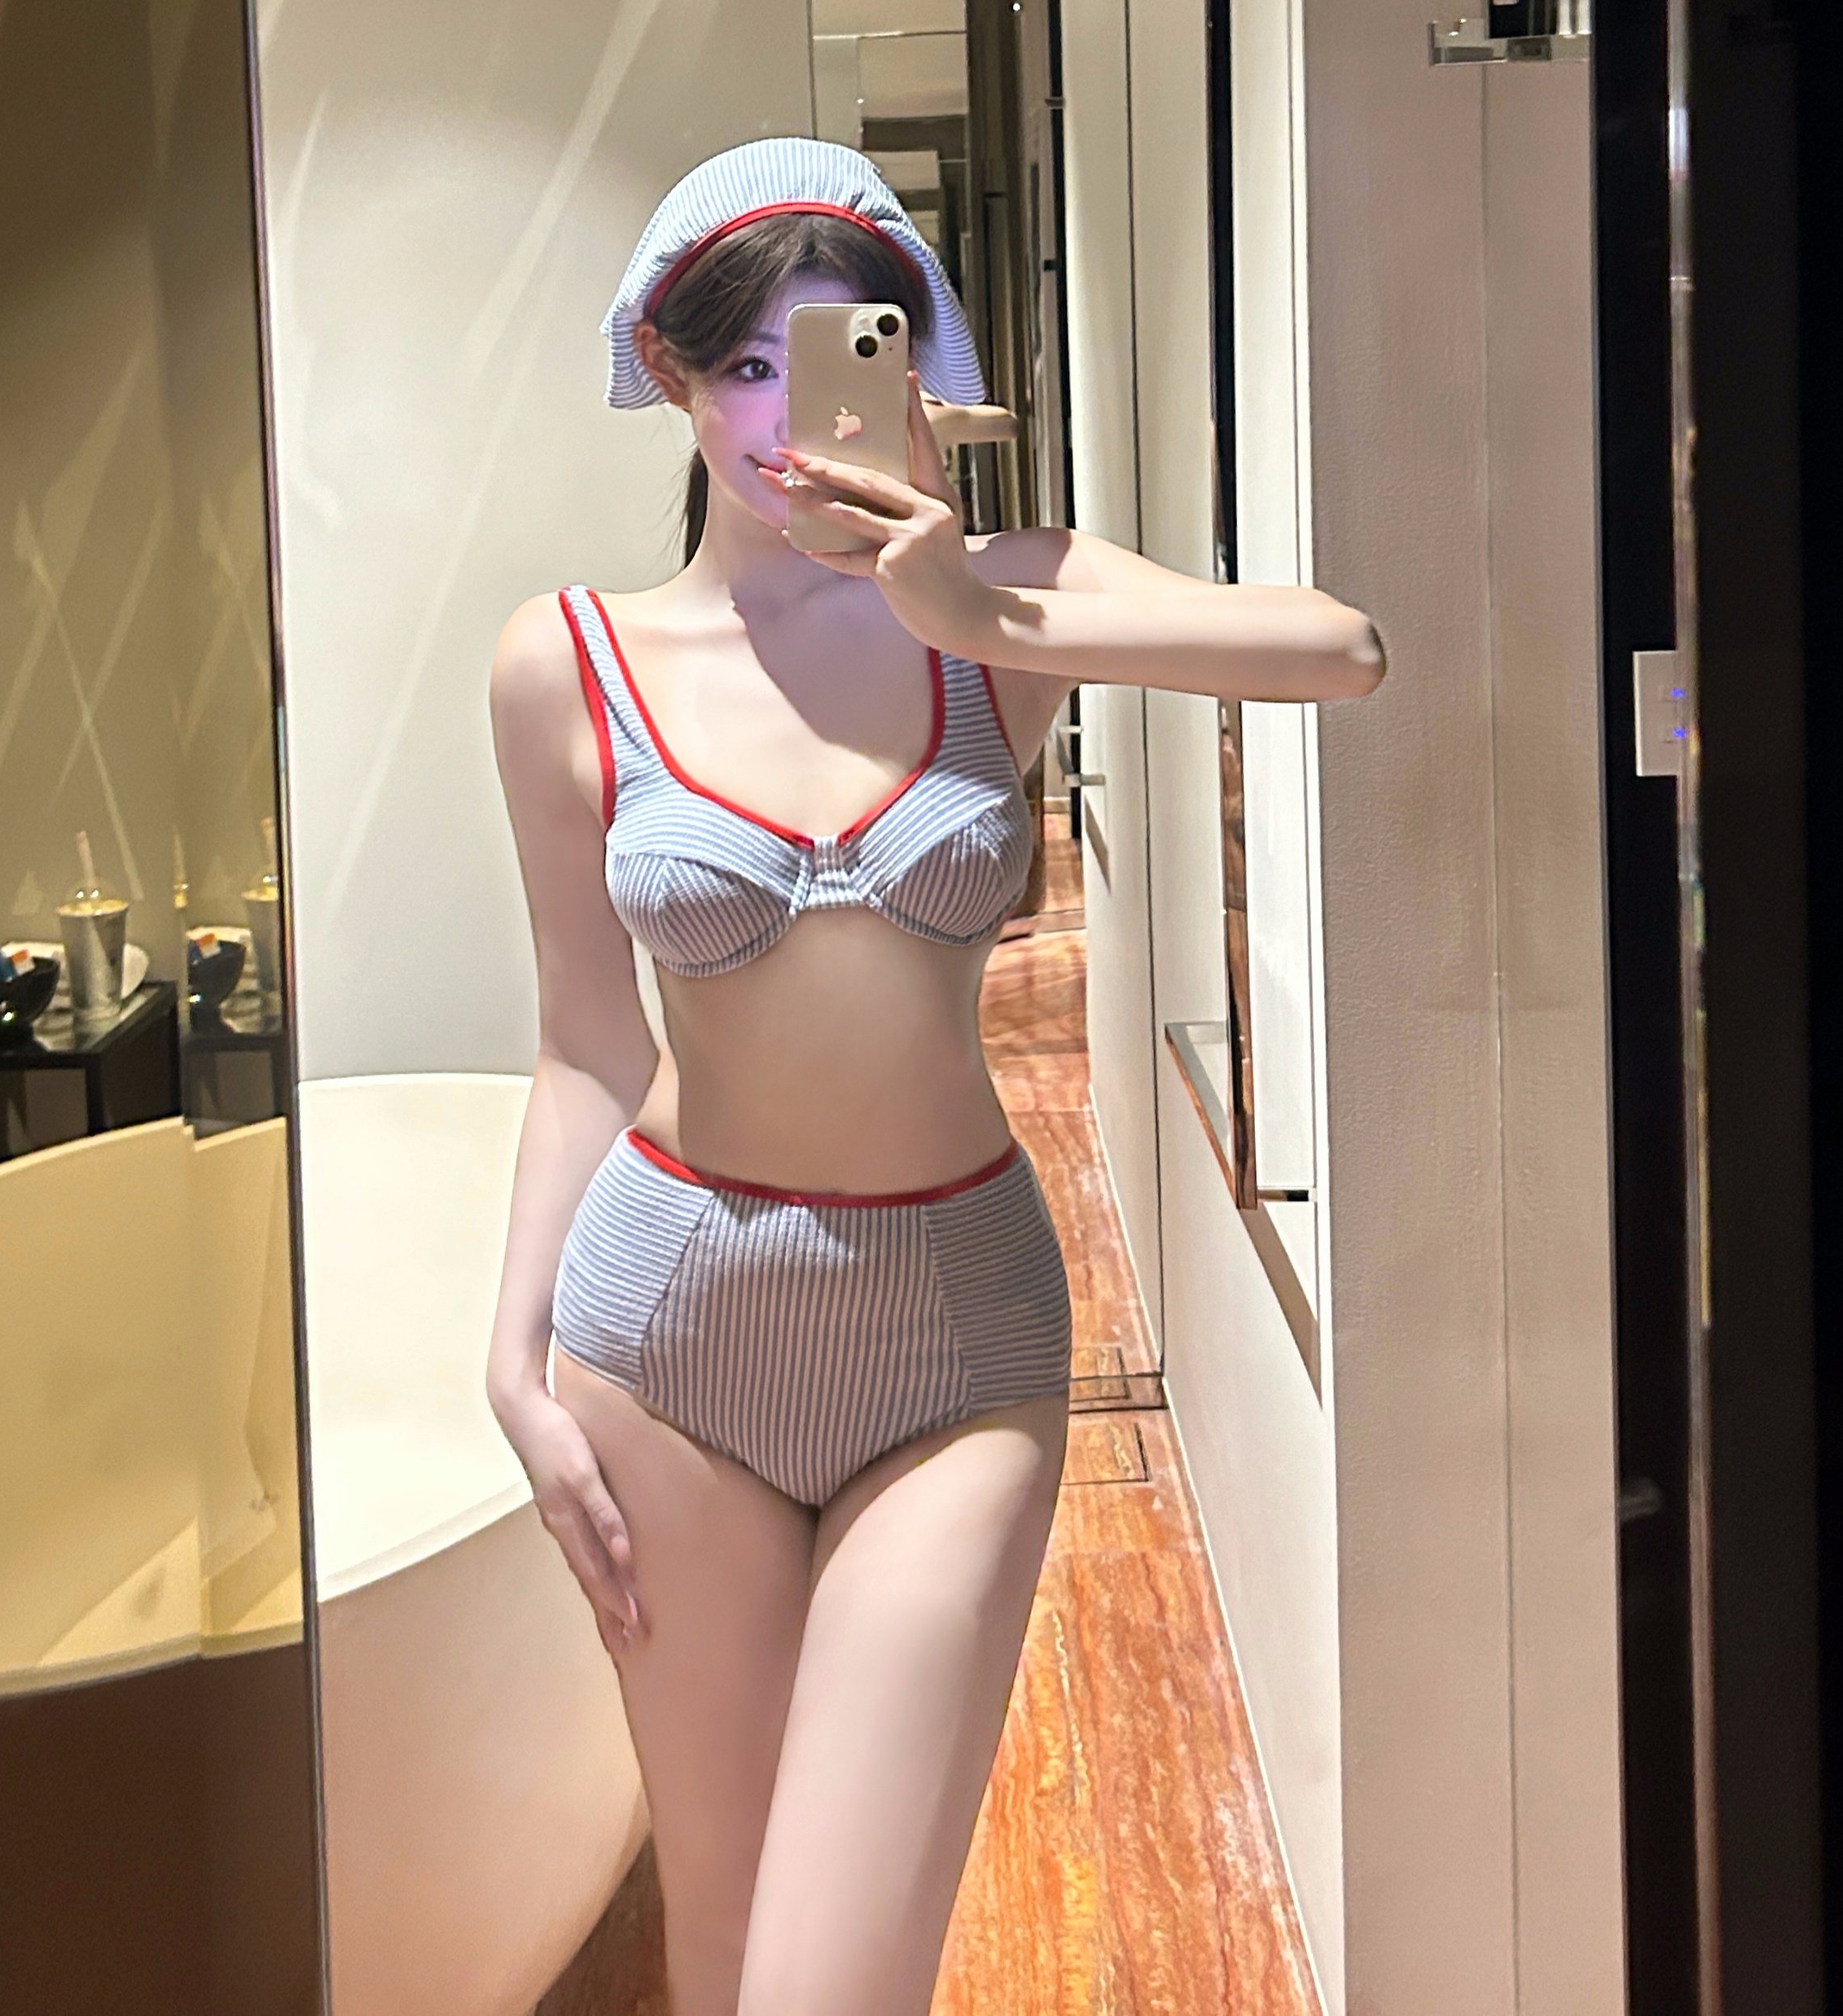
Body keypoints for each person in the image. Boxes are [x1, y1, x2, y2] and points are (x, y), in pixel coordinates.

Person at [484, 138, 1384, 2016]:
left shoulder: (1012, 604)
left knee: (831, 1982)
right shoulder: (567, 662)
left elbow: (1338, 650)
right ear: (666, 370)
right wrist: (512, 1358)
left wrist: (972, 612)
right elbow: (585, 1039)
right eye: (743, 365)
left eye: (841, 357)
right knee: (722, 1945)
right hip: (662, 1340)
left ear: (915, 375)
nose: (784, 418)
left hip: (953, 1340)